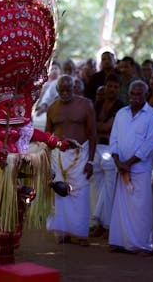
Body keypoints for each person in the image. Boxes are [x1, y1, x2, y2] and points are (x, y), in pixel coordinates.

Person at [108, 80, 153, 255]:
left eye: (139, 94)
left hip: (140, 170)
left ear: (146, 95)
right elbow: (114, 139)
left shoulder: (152, 115)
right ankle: (120, 241)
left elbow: (149, 145)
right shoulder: (121, 114)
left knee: (141, 208)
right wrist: (118, 162)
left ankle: (142, 245)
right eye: (133, 94)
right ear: (128, 94)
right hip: (121, 168)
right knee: (121, 207)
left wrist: (128, 164)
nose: (135, 97)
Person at [46, 75, 96, 246]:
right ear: (57, 90)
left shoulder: (85, 105)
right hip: (58, 156)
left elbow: (92, 134)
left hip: (80, 155)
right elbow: (47, 135)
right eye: (62, 90)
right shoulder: (52, 107)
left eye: (69, 89)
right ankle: (64, 232)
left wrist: (91, 161)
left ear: (74, 88)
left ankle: (81, 234)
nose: (66, 92)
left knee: (80, 194)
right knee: (60, 193)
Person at [90, 74, 124, 235]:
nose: (112, 90)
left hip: (111, 151)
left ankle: (108, 226)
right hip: (96, 148)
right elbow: (91, 127)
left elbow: (107, 128)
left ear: (120, 89)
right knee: (97, 188)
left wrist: (98, 127)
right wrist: (99, 127)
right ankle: (97, 223)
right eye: (110, 86)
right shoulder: (97, 104)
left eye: (116, 87)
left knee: (110, 189)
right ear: (106, 86)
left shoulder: (121, 107)